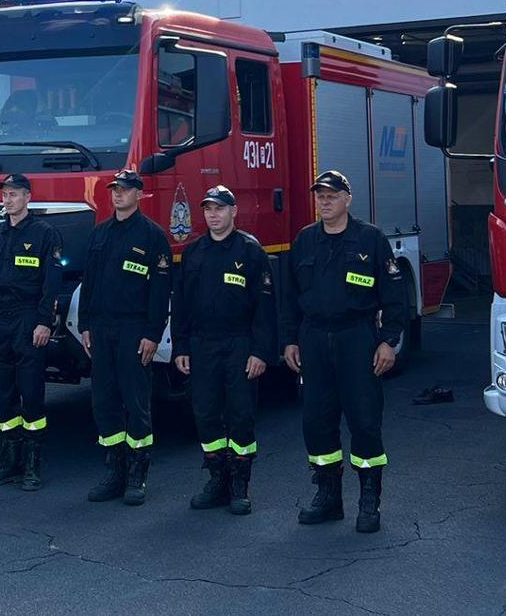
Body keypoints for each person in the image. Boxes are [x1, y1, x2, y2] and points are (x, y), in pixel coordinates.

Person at [279, 171, 410, 533]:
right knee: (316, 421)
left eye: (332, 196)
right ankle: (328, 497)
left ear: (348, 200)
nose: (325, 202)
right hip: (314, 339)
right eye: (320, 196)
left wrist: (388, 340)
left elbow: (395, 297)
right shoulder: (305, 241)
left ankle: (369, 501)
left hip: (357, 338)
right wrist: (289, 340)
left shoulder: (371, 239)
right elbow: (289, 298)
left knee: (364, 421)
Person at [172, 186, 276, 516]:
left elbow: (265, 307)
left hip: (239, 343)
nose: (213, 215)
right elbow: (182, 304)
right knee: (205, 414)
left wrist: (260, 352)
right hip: (202, 345)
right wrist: (180, 347)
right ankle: (217, 479)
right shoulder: (194, 252)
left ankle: (239, 486)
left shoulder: (250, 251)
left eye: (219, 209)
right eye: (208, 209)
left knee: (241, 416)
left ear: (233, 212)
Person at [77, 171, 172, 506]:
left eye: (125, 190)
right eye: (115, 189)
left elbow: (160, 292)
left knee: (136, 402)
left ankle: (137, 473)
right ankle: (114, 470)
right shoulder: (100, 233)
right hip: (101, 330)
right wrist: (85, 323)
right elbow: (88, 283)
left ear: (139, 194)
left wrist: (152, 334)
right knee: (103, 401)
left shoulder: (152, 236)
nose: (118, 195)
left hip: (134, 330)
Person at [0, 174, 63, 492]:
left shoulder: (44, 234)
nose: (7, 200)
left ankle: (32, 465)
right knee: (2, 392)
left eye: (14, 194)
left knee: (32, 393)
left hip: (27, 319)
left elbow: (52, 284)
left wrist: (43, 322)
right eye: (5, 195)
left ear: (28, 197)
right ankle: (9, 460)